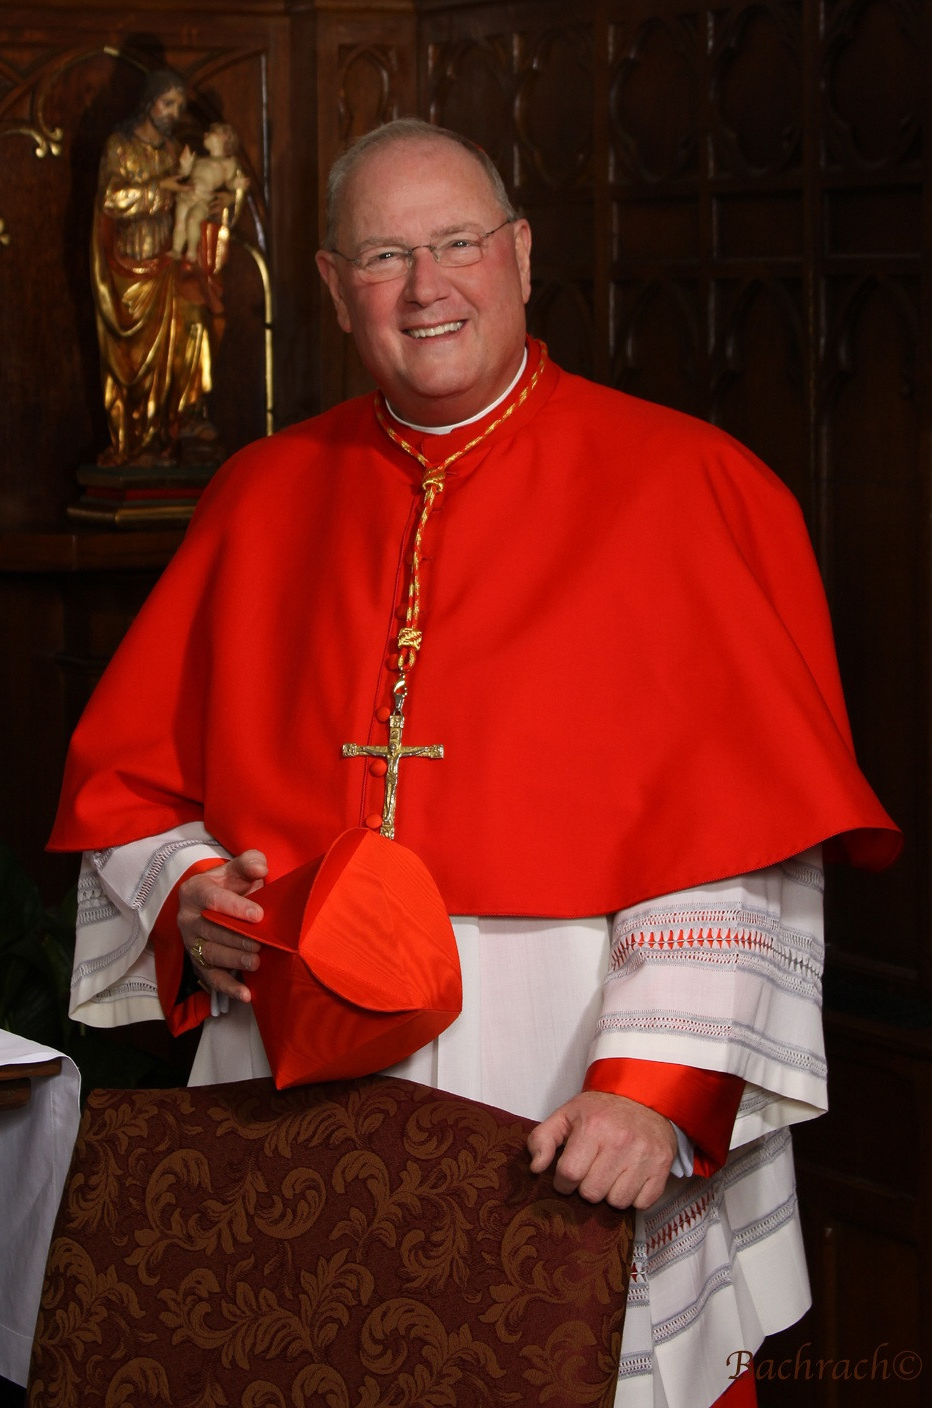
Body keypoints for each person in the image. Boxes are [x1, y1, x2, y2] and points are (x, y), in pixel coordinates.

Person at [51, 119, 900, 1408]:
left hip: (561, 1075)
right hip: (291, 1085)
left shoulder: (690, 487)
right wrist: (186, 899)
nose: (425, 286)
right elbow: (128, 792)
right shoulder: (259, 496)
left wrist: (651, 1091)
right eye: (385, 255)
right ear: (335, 289)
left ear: (516, 253)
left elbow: (744, 835)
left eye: (454, 244)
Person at [92, 69, 225, 466]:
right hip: (128, 268)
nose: (173, 113)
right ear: (149, 102)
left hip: (170, 262)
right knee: (134, 360)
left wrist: (210, 206)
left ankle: (180, 421)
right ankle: (135, 442)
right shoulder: (119, 146)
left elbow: (190, 201)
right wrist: (161, 193)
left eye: (180, 106)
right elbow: (112, 200)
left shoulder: (173, 150)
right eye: (168, 103)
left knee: (194, 325)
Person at [171, 121, 248, 264]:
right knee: (180, 223)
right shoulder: (200, 159)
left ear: (225, 137)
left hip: (203, 198)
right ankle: (176, 249)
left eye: (212, 131)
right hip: (187, 194)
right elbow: (184, 174)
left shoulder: (228, 163)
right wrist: (184, 166)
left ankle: (191, 251)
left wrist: (236, 184)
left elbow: (230, 183)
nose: (205, 134)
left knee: (193, 220)